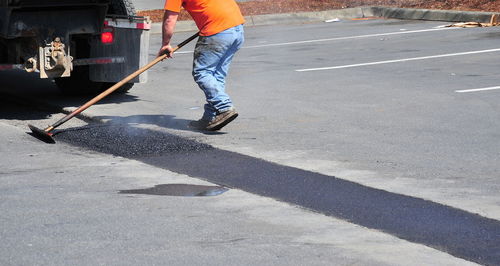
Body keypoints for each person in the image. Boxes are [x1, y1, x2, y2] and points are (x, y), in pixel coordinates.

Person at [158, 0, 245, 131]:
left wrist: (166, 44)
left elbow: (170, 19)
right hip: (237, 28)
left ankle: (225, 107)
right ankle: (210, 117)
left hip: (217, 30)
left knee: (202, 72)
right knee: (216, 75)